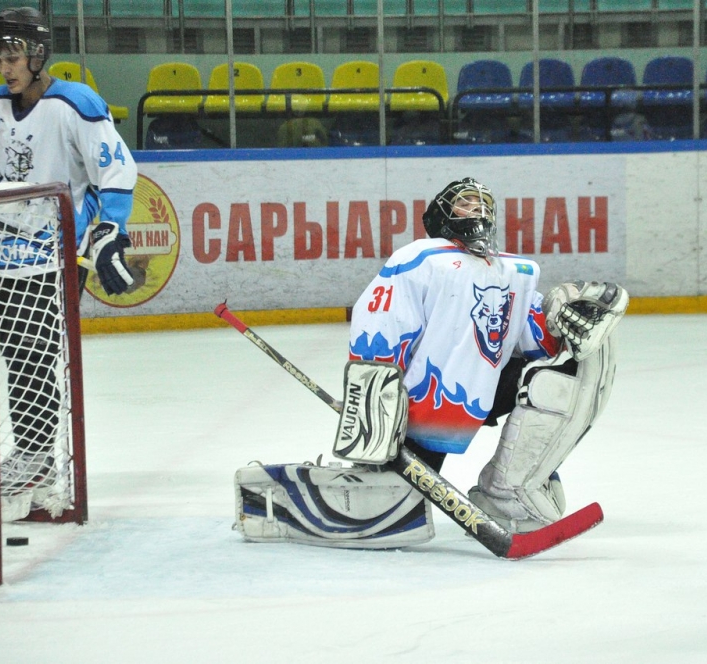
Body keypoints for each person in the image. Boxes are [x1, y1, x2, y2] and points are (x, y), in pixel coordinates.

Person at [233, 177, 628, 548]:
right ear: (440, 216)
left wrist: (560, 316)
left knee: (575, 367)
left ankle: (509, 492)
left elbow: (535, 341)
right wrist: (372, 409)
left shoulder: (515, 271)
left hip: (485, 389)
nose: (476, 210)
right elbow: (380, 330)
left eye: (482, 205)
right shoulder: (419, 258)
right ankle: (299, 496)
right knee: (394, 499)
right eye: (464, 203)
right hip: (423, 405)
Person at [0, 7, 136, 512]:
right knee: (15, 351)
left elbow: (116, 168)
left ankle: (36, 455)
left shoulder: (75, 103)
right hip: (6, 250)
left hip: (59, 249)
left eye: (12, 56)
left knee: (35, 351)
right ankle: (32, 453)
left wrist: (111, 229)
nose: (4, 67)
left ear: (37, 55)